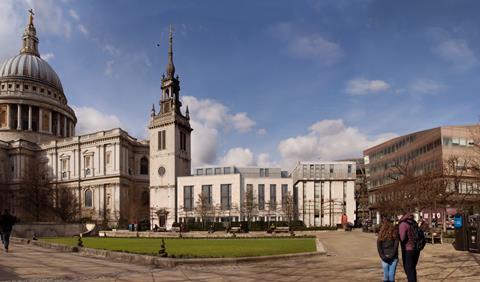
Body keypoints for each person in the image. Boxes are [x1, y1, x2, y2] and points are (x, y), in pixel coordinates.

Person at [399, 212, 421, 282]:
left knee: (408, 269)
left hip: (407, 249)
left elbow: (402, 238)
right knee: (412, 269)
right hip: (416, 248)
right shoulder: (414, 223)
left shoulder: (403, 224)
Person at [377, 217, 399, 282]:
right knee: (391, 276)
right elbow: (396, 246)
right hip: (394, 256)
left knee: (386, 276)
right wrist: (392, 255)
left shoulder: (381, 234)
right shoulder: (395, 233)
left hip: (384, 256)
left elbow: (379, 247)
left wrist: (383, 256)